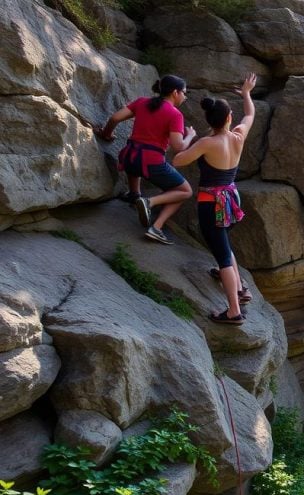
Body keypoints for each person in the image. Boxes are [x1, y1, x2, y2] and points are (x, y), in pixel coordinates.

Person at [172, 73, 257, 325]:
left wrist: (188, 139)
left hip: (212, 203)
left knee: (222, 256)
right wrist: (247, 94)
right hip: (232, 198)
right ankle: (240, 287)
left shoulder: (207, 143)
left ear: (208, 119)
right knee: (224, 242)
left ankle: (233, 311)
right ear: (229, 118)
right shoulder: (238, 135)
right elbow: (250, 115)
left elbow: (178, 161)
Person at [95, 74, 196, 245]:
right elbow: (179, 147)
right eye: (184, 93)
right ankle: (150, 206)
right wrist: (191, 136)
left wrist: (106, 134)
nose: (185, 97)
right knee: (186, 191)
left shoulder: (142, 102)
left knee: (136, 159)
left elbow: (114, 118)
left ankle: (134, 195)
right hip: (151, 162)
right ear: (175, 92)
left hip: (129, 158)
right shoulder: (175, 114)